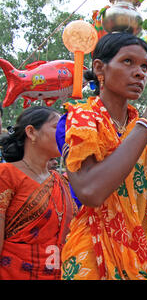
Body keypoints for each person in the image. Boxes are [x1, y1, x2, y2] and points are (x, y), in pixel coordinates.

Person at [57, 32, 147, 280]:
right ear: (100, 67)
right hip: (96, 259)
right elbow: (91, 192)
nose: (140, 73)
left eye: (144, 66)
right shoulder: (81, 120)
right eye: (128, 62)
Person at [0, 106, 78, 279]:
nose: (64, 134)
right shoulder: (5, 174)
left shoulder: (62, 182)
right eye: (57, 127)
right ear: (31, 132)